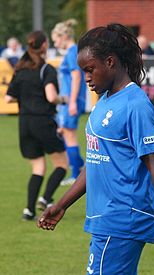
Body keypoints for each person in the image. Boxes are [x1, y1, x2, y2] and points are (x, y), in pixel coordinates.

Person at [37, 24, 154, 275]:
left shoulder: (135, 105)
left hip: (123, 216)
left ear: (111, 62)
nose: (86, 78)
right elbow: (95, 164)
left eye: (90, 69)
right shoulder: (105, 101)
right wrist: (60, 205)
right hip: (105, 217)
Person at [5, 31, 68, 220]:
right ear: (43, 46)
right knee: (62, 164)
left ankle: (29, 210)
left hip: (24, 123)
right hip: (43, 121)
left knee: (38, 167)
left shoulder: (20, 69)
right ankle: (46, 198)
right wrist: (62, 99)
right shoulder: (46, 69)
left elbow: (8, 97)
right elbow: (51, 97)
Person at [51, 19, 86, 186]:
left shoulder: (73, 52)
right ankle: (81, 167)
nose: (55, 43)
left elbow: (76, 76)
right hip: (66, 101)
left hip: (71, 101)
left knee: (69, 134)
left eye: (56, 39)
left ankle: (76, 173)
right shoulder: (71, 52)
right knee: (64, 133)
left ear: (64, 35)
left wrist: (72, 102)